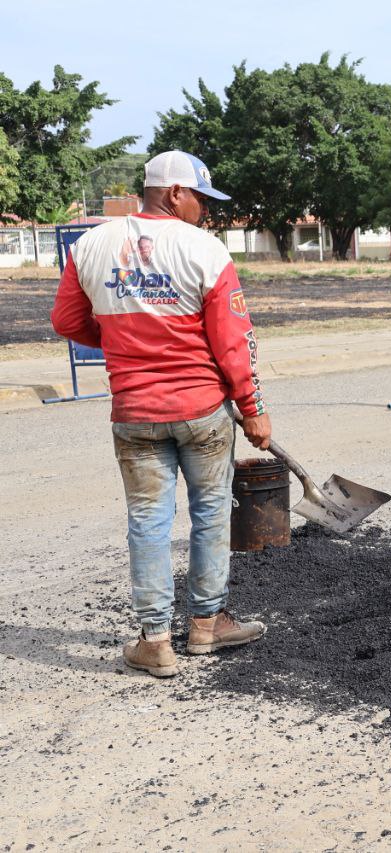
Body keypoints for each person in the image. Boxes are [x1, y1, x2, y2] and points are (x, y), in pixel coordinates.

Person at [51, 150, 271, 678]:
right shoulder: (205, 250)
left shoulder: (90, 245)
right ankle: (206, 625)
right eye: (200, 197)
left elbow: (65, 319)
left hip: (134, 411)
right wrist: (253, 408)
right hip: (200, 410)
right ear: (175, 193)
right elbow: (233, 343)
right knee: (211, 512)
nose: (205, 210)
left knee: (148, 521)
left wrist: (122, 341)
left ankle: (154, 641)